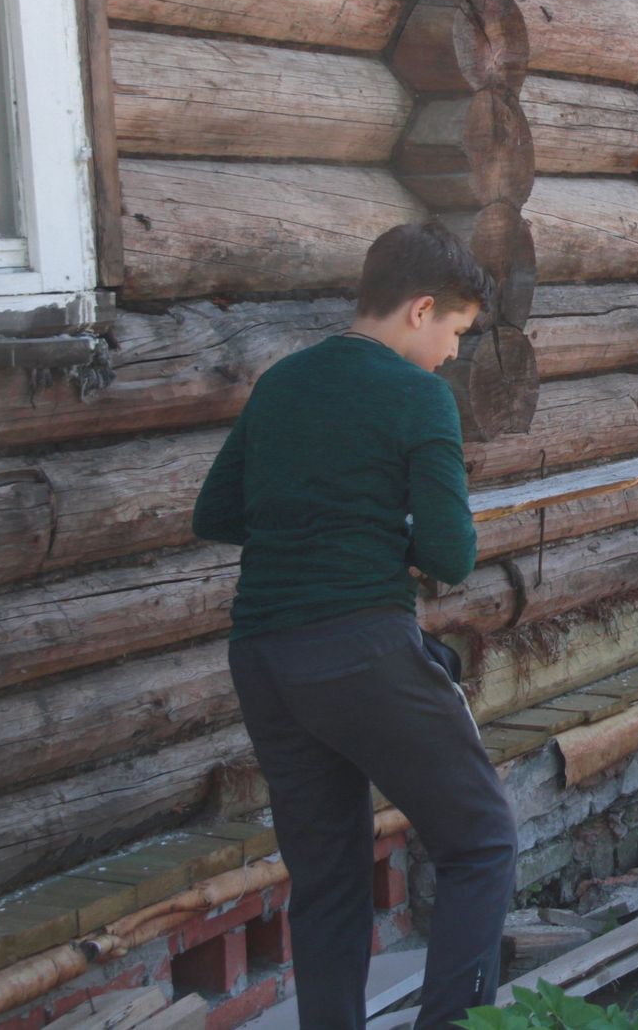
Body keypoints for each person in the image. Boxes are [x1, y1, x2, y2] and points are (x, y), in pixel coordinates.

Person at [194, 222, 518, 1029]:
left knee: (329, 877)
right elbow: (449, 550)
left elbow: (217, 511)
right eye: (455, 331)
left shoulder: (282, 383)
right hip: (360, 650)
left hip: (264, 657)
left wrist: (317, 526)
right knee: (480, 842)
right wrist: (380, 536)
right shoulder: (418, 397)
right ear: (419, 310)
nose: (452, 352)